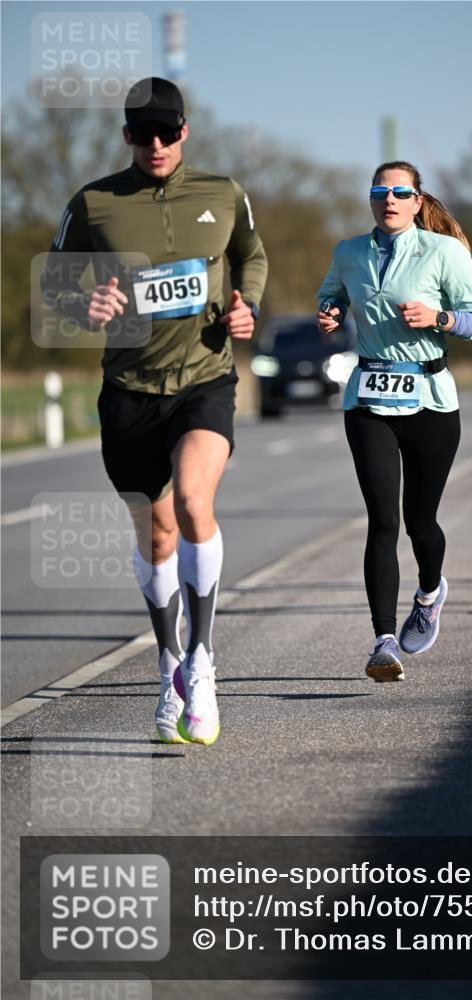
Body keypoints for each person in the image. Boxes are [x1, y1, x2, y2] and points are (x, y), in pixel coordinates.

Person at [42, 77, 268, 745]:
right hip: (130, 391)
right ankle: (168, 658)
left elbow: (248, 256)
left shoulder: (223, 193)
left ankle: (201, 662)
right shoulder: (94, 202)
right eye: (143, 135)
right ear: (126, 137)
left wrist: (245, 303)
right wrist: (85, 306)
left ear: (184, 130)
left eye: (167, 132)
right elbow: (54, 279)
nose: (157, 145)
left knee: (196, 503)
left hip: (204, 378)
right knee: (157, 531)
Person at [317, 161, 472, 681]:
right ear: (370, 199)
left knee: (420, 523)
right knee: (382, 521)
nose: (388, 199)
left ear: (418, 200)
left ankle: (431, 591)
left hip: (431, 401)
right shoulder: (349, 251)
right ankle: (384, 641)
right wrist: (329, 311)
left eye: (400, 192)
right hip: (369, 400)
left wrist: (438, 318)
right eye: (380, 191)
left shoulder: (445, 252)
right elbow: (331, 292)